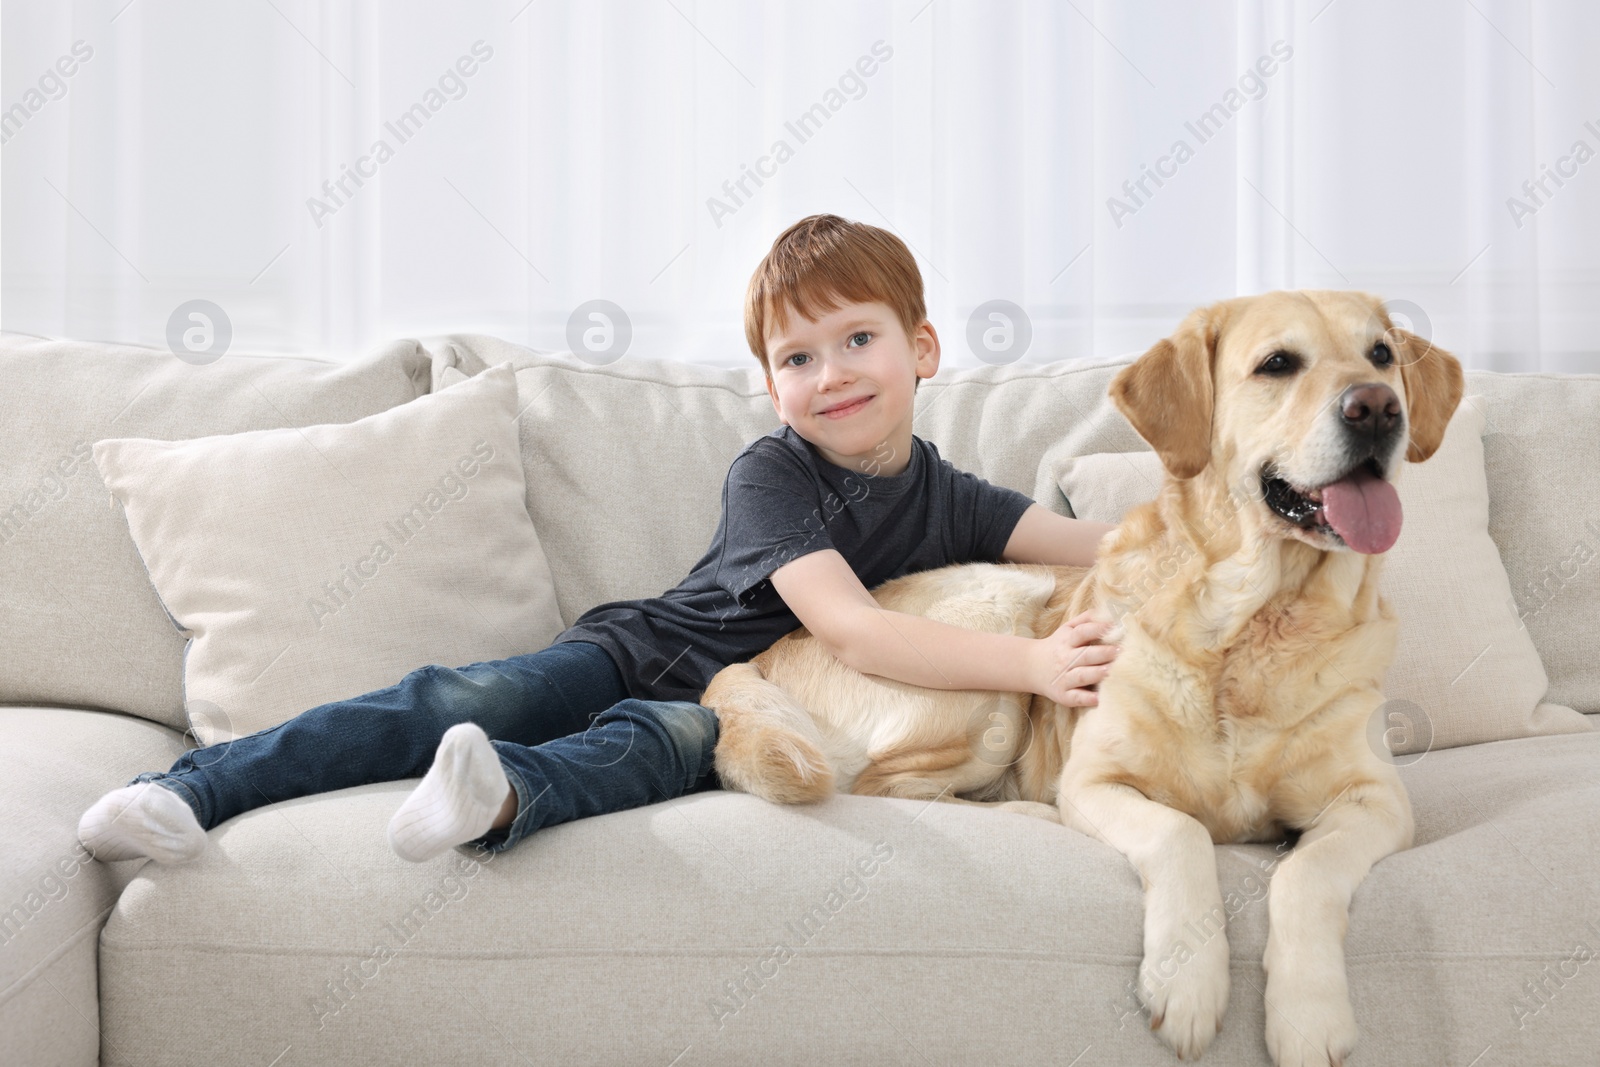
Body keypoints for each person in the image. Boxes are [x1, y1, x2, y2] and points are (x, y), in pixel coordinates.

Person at [77, 213, 1120, 867]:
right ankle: (182, 791)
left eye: (858, 339)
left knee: (644, 751)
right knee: (459, 696)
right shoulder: (773, 470)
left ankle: (492, 796)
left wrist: (1259, 523)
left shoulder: (955, 496)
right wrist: (1029, 661)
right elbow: (850, 629)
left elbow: (1101, 546)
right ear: (770, 384)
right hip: (641, 650)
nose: (831, 372)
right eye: (797, 355)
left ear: (921, 348)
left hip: (740, 714)